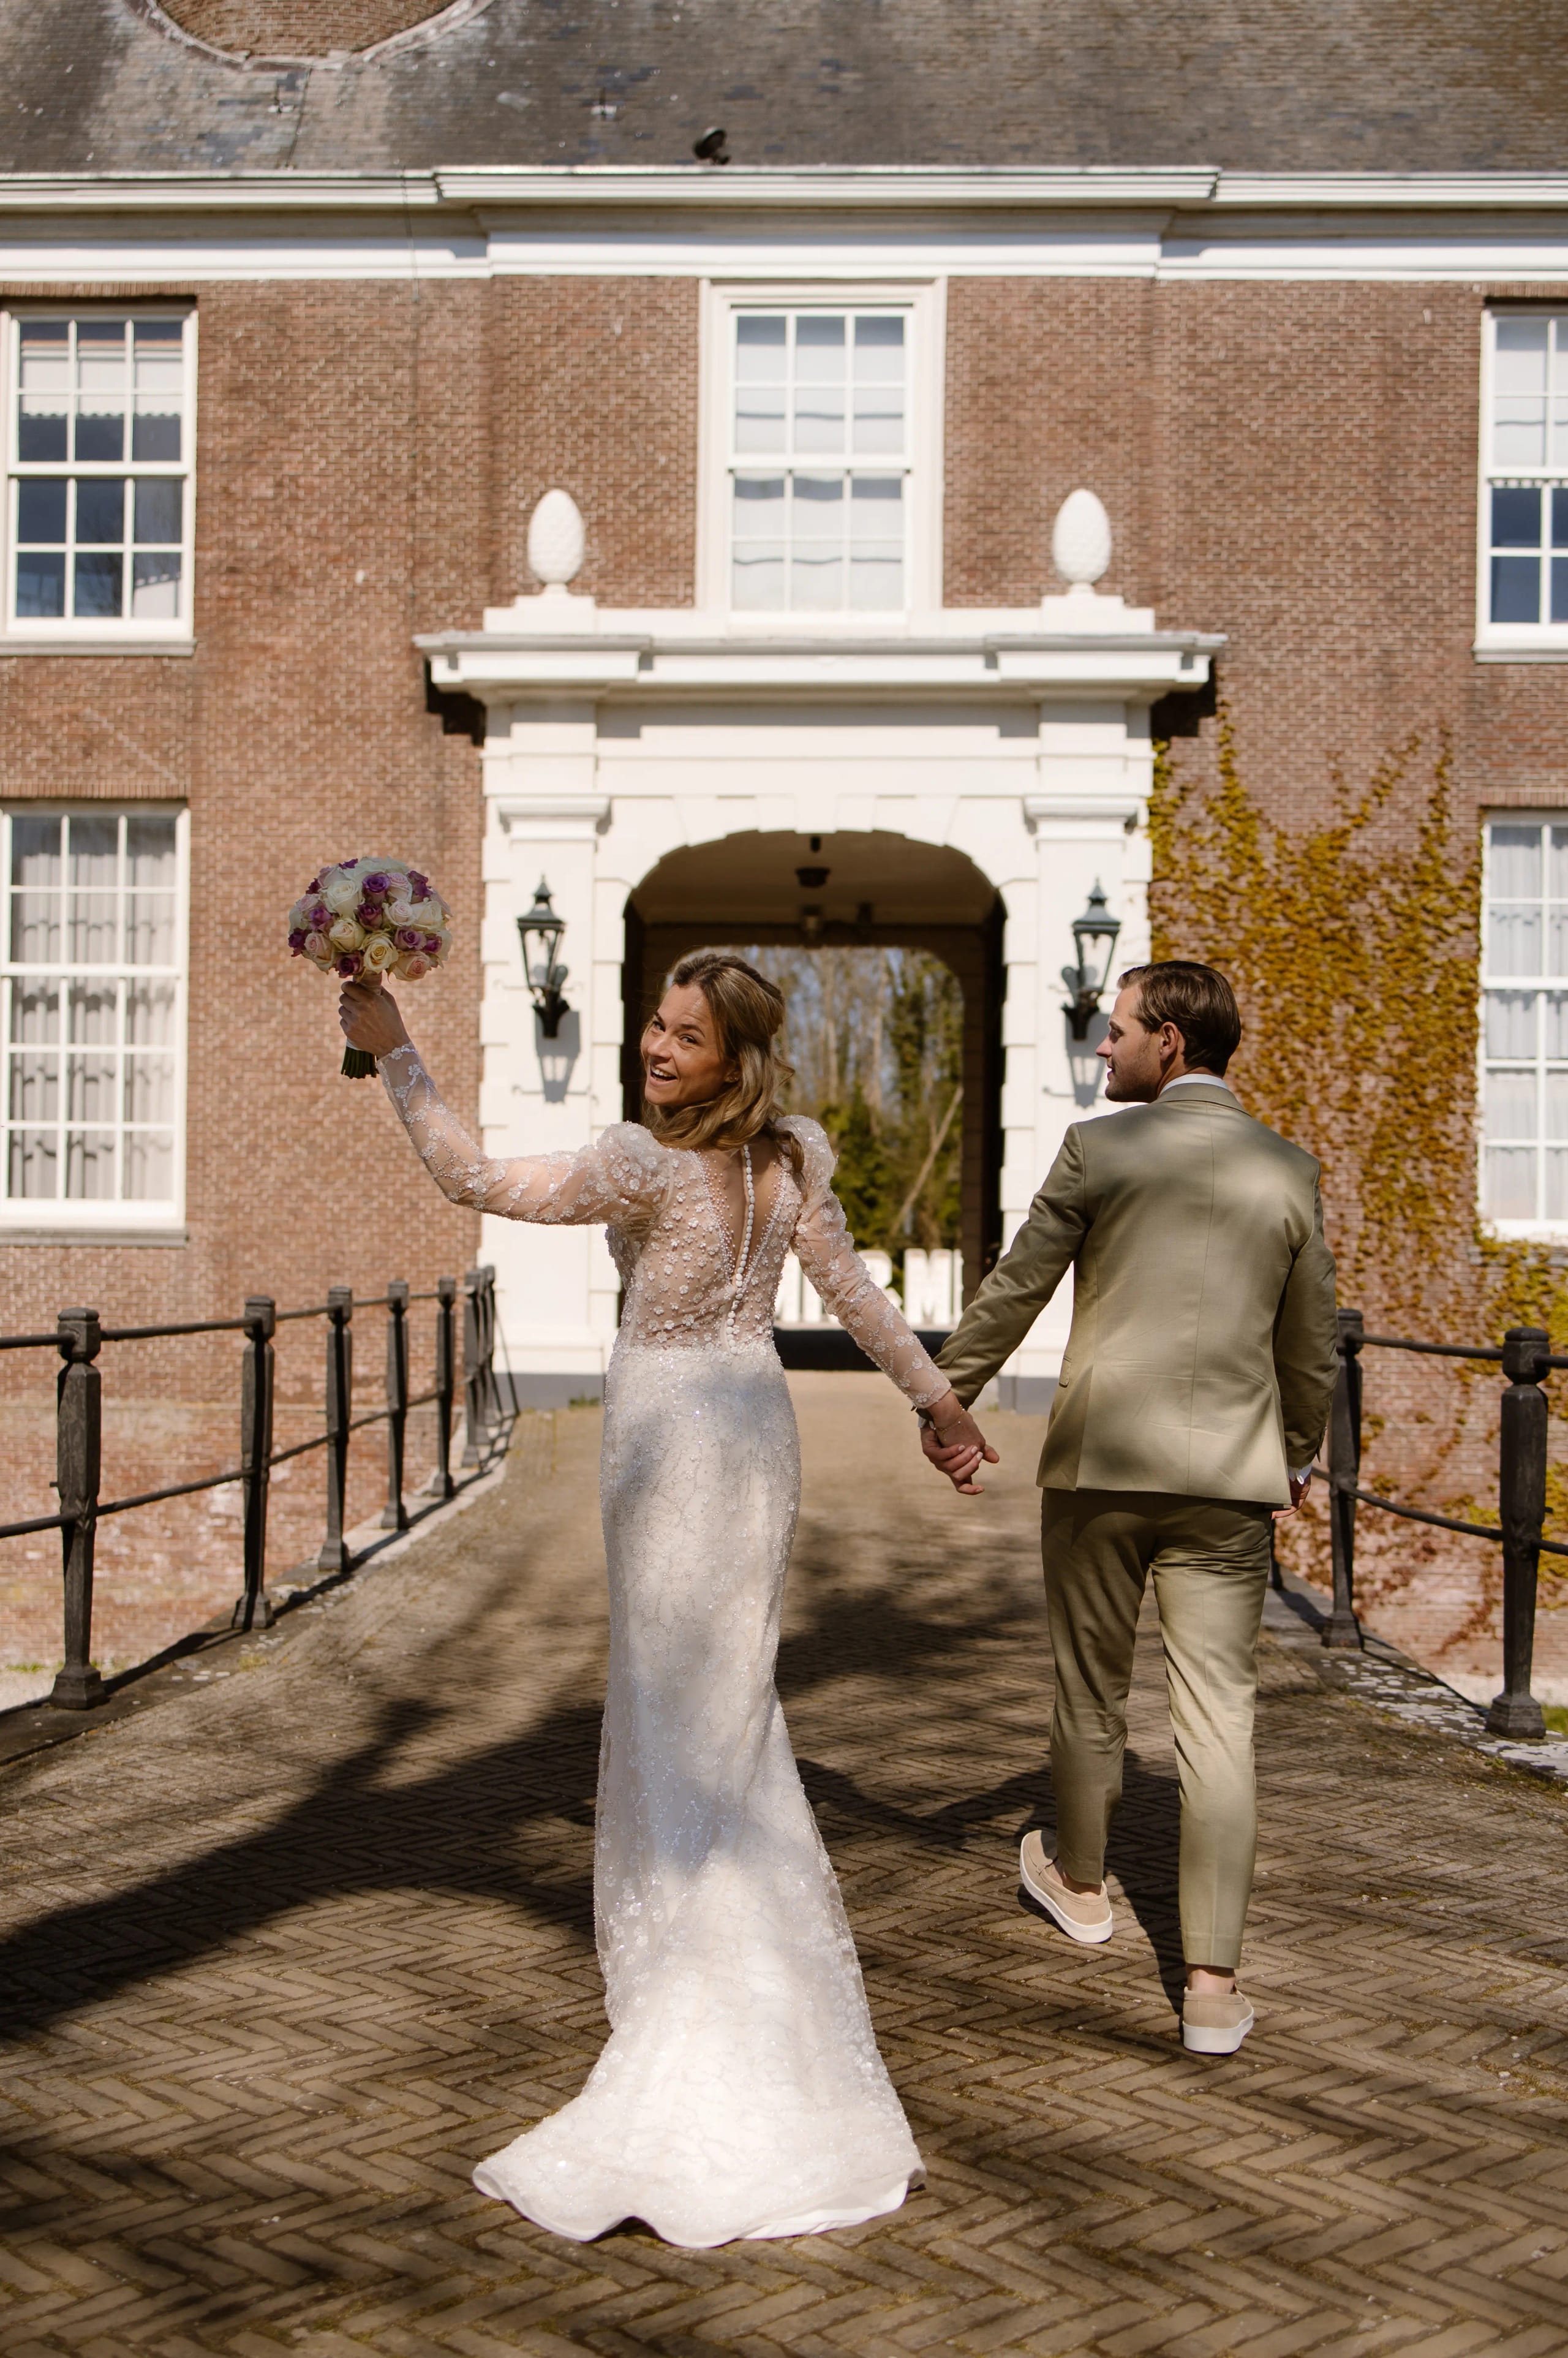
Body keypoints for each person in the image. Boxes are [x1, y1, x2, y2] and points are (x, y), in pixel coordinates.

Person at [339, 950, 992, 2248]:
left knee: (683, 1705)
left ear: (733, 1056)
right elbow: (850, 1298)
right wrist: (931, 1398)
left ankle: (693, 1982)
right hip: (751, 1426)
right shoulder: (787, 1151)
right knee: (726, 1707)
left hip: (673, 1442)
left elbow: (475, 1178)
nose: (654, 1046)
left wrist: (395, 1048)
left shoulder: (643, 1162)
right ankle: (736, 1950)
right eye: (653, 1023)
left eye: (684, 1037)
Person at [923, 962, 1337, 2056]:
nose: (1103, 1050)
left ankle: (1083, 1883)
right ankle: (1210, 1985)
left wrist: (946, 1396)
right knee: (1220, 1723)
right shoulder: (1290, 1172)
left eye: (1116, 1033)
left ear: (1171, 1041)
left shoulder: (1100, 1151)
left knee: (1088, 1688)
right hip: (1231, 1483)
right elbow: (1310, 1348)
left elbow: (1019, 1284)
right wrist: (1296, 1453)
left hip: (1103, 1465)